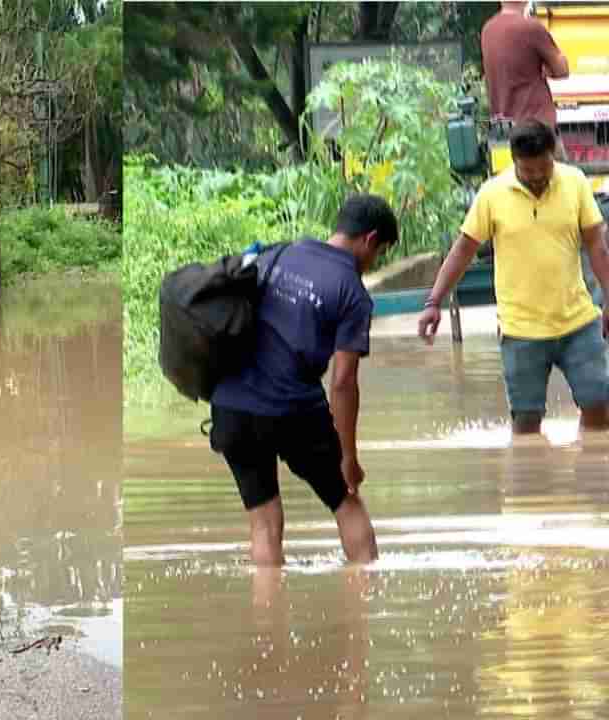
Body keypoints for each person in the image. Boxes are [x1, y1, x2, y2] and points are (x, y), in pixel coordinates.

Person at [208, 194, 396, 567]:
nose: (374, 262)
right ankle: (363, 607)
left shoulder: (276, 254)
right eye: (380, 253)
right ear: (370, 240)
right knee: (346, 502)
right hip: (292, 408)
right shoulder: (352, 293)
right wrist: (348, 457)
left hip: (231, 406)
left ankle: (266, 618)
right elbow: (343, 381)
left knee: (264, 525)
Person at [418, 120, 609, 435]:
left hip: (578, 322)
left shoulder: (575, 183)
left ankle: (587, 475)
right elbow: (463, 249)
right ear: (514, 160)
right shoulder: (492, 194)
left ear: (553, 155)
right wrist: (433, 301)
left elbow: (596, 246)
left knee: (599, 409)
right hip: (521, 330)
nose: (536, 178)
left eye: (543, 170)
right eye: (527, 171)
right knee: (526, 422)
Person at [481, 1, 570, 158]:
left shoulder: (488, 30)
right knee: (561, 180)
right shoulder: (530, 28)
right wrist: (543, 69)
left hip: (504, 132)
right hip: (538, 131)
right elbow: (562, 70)